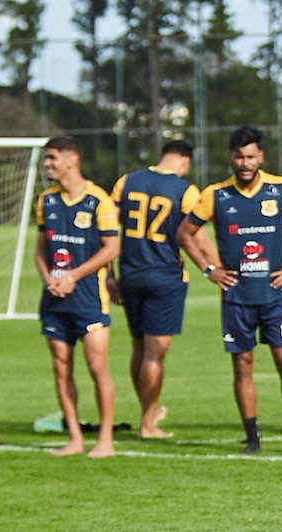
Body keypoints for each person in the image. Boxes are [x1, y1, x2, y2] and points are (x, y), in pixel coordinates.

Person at [176, 125, 282, 456]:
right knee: (242, 365)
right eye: (239, 156)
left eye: (250, 156)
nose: (245, 163)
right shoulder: (215, 195)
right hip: (235, 298)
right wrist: (209, 270)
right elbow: (184, 233)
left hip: (275, 297)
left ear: (261, 157)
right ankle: (252, 439)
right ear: (230, 157)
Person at [109, 139, 208, 439]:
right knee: (155, 355)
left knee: (139, 348)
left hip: (130, 276)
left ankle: (147, 413)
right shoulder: (185, 190)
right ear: (185, 162)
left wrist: (109, 276)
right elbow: (199, 239)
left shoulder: (126, 182)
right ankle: (148, 424)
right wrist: (220, 271)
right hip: (164, 278)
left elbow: (108, 231)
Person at [35, 136, 121, 457]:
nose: (47, 164)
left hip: (89, 298)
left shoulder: (99, 201)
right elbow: (40, 249)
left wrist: (73, 276)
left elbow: (112, 248)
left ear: (72, 160)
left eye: (52, 158)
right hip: (55, 300)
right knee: (61, 368)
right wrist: (49, 279)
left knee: (97, 366)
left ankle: (106, 440)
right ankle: (74, 438)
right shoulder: (46, 201)